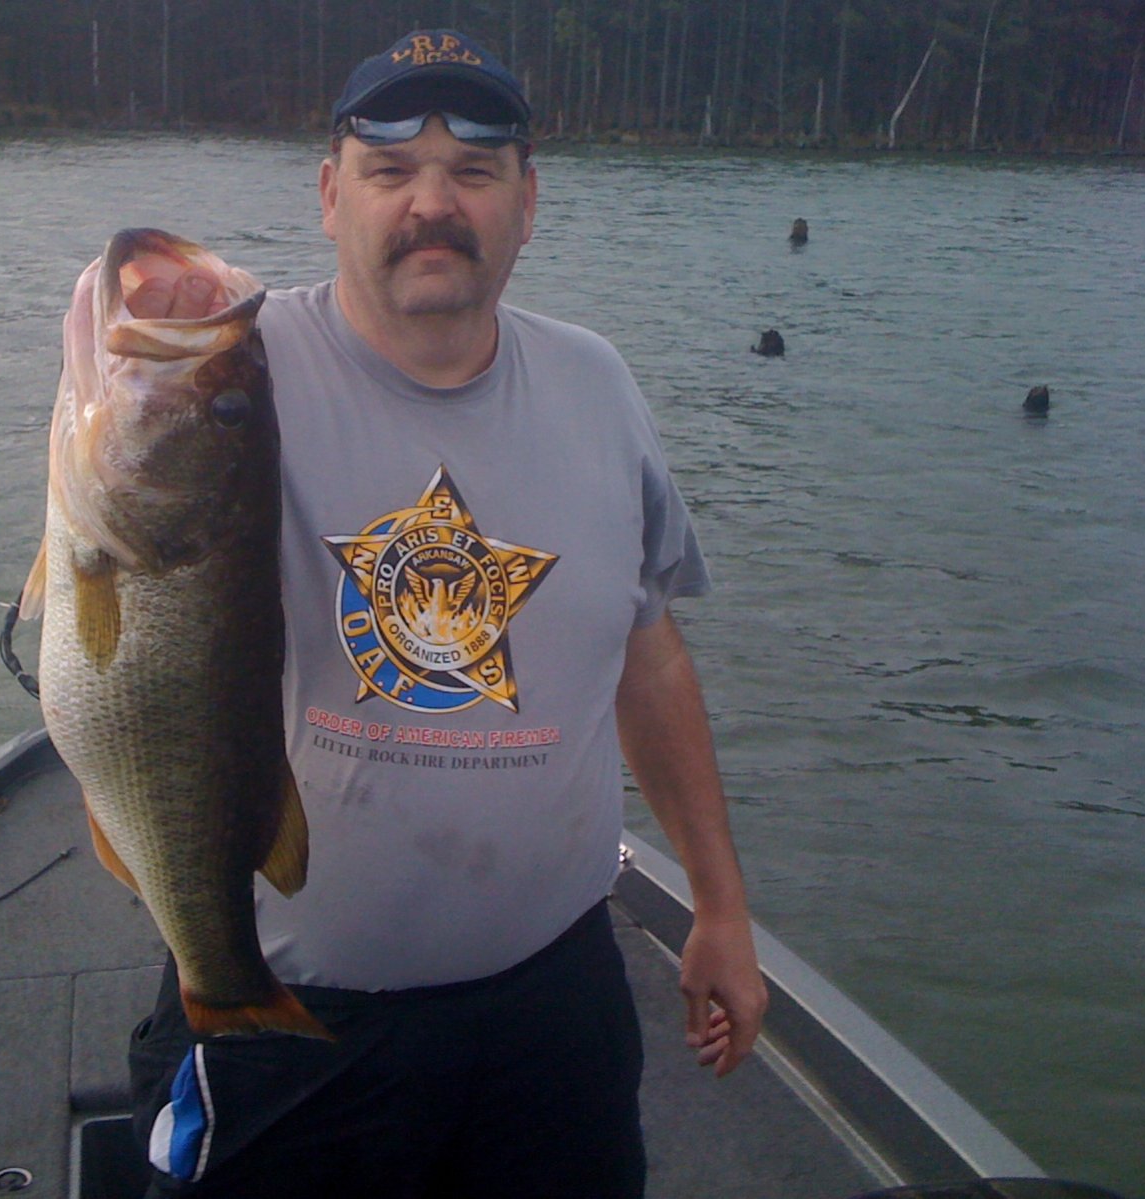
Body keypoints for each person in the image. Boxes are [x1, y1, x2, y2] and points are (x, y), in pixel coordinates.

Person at [122, 28, 768, 1199]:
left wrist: (721, 904)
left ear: (529, 203)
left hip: (554, 1004)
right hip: (292, 1009)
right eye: (389, 170)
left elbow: (649, 654)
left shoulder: (598, 384)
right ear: (330, 197)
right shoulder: (229, 374)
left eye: (474, 170)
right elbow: (118, 427)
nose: (432, 202)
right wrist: (153, 308)